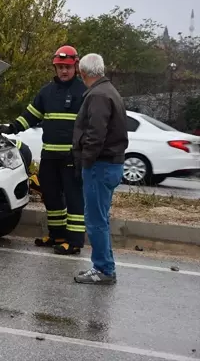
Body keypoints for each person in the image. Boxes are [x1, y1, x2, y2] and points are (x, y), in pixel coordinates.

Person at [0, 46, 87, 255]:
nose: (64, 71)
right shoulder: (46, 92)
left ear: (75, 66)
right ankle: (57, 236)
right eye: (60, 67)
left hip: (72, 157)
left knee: (74, 199)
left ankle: (74, 242)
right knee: (52, 197)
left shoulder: (83, 92)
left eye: (67, 67)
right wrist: (11, 128)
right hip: (49, 156)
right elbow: (30, 115)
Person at [72, 53, 128, 285]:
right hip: (110, 164)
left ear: (82, 73)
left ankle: (103, 269)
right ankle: (106, 265)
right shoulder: (109, 91)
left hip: (100, 165)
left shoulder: (97, 96)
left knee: (95, 220)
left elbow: (96, 134)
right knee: (101, 219)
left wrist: (86, 161)